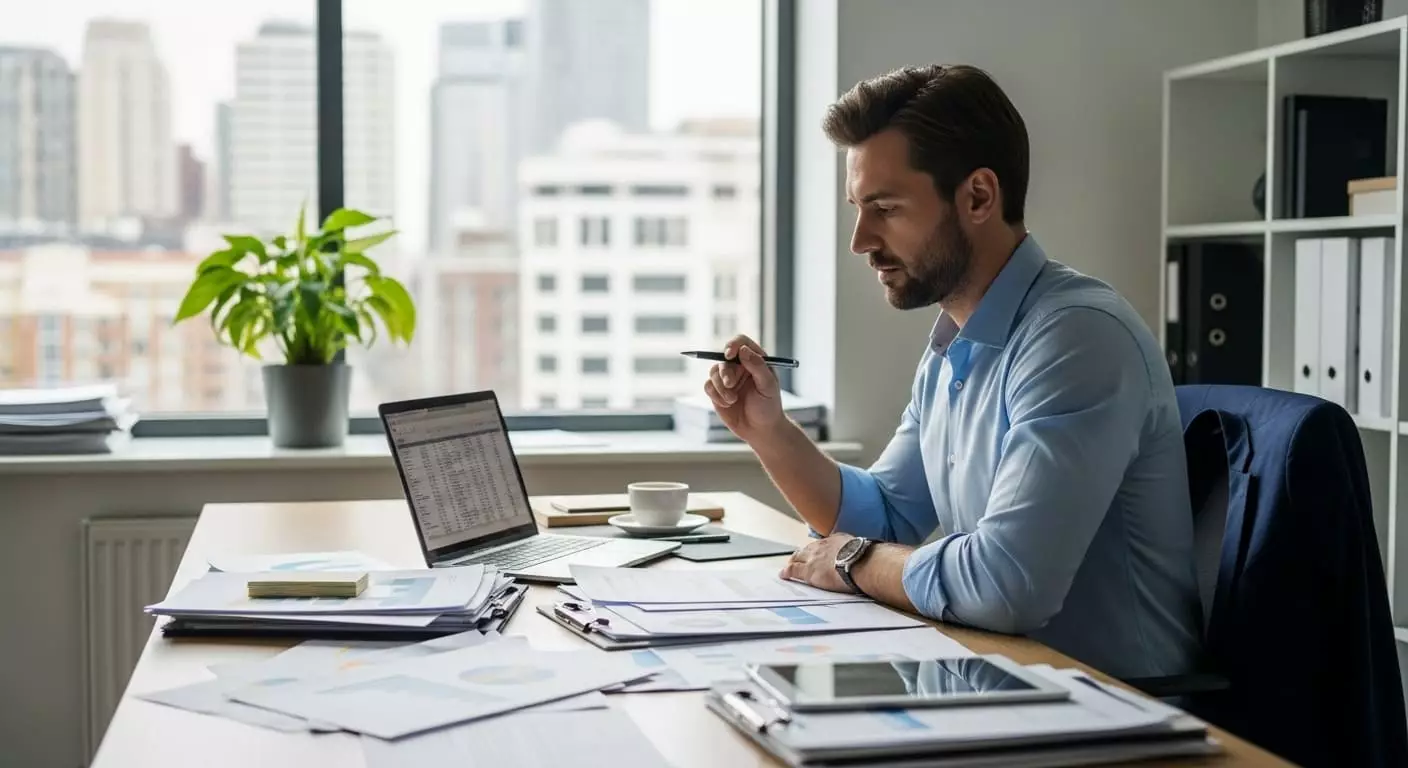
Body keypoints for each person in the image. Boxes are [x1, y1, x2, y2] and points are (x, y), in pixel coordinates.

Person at [703, 64, 1201, 679]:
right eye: (859, 209)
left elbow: (1005, 584)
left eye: (884, 208)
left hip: (1112, 706)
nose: (860, 240)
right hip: (1001, 680)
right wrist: (768, 431)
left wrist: (854, 561)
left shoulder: (1077, 337)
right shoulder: (956, 345)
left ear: (979, 197)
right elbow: (885, 517)